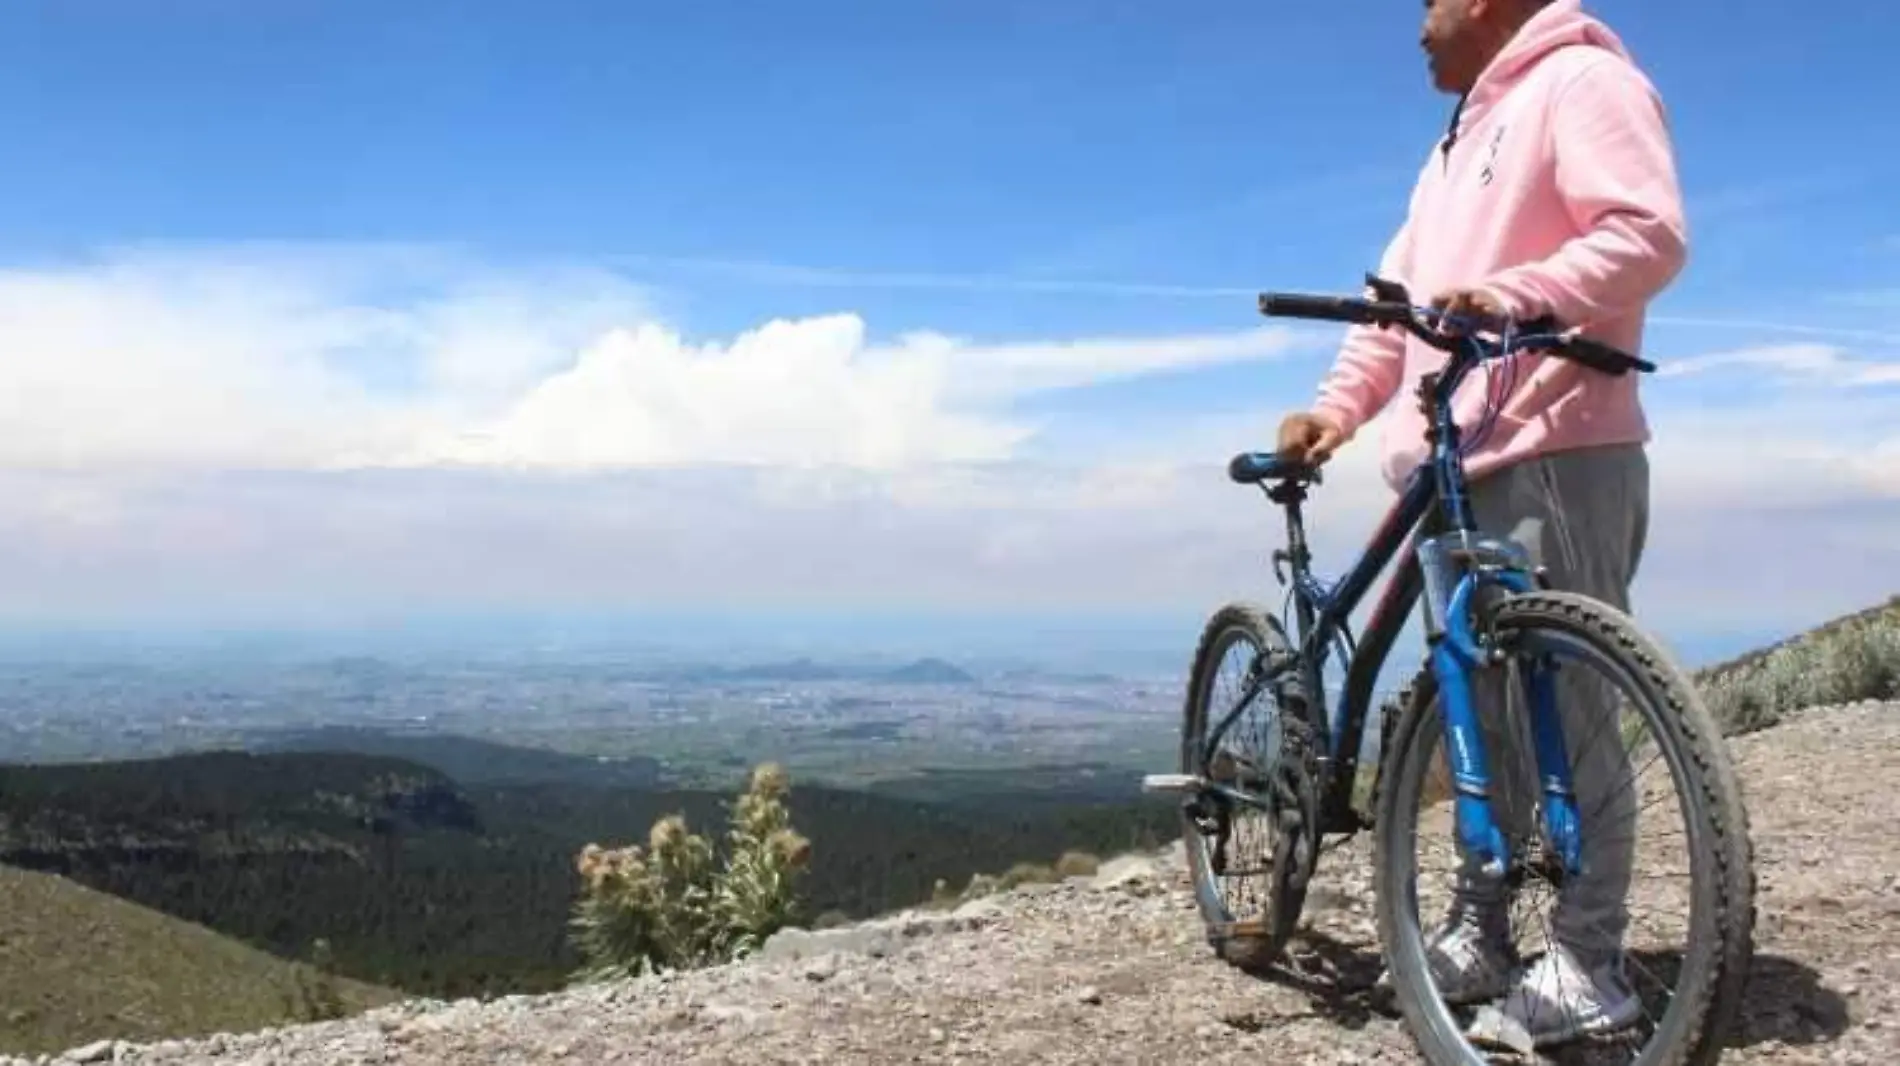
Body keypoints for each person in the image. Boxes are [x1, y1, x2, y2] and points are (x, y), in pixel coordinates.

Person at [1274, 0, 1684, 1047]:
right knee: (1480, 707)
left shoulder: (1582, 83)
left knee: (1569, 706)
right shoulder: (1448, 150)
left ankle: (1590, 961)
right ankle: (1483, 923)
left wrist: (1515, 296)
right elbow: (1395, 314)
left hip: (1557, 439)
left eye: (1429, 1)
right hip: (1452, 458)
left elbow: (1646, 233)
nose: (1414, 26)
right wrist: (1333, 410)